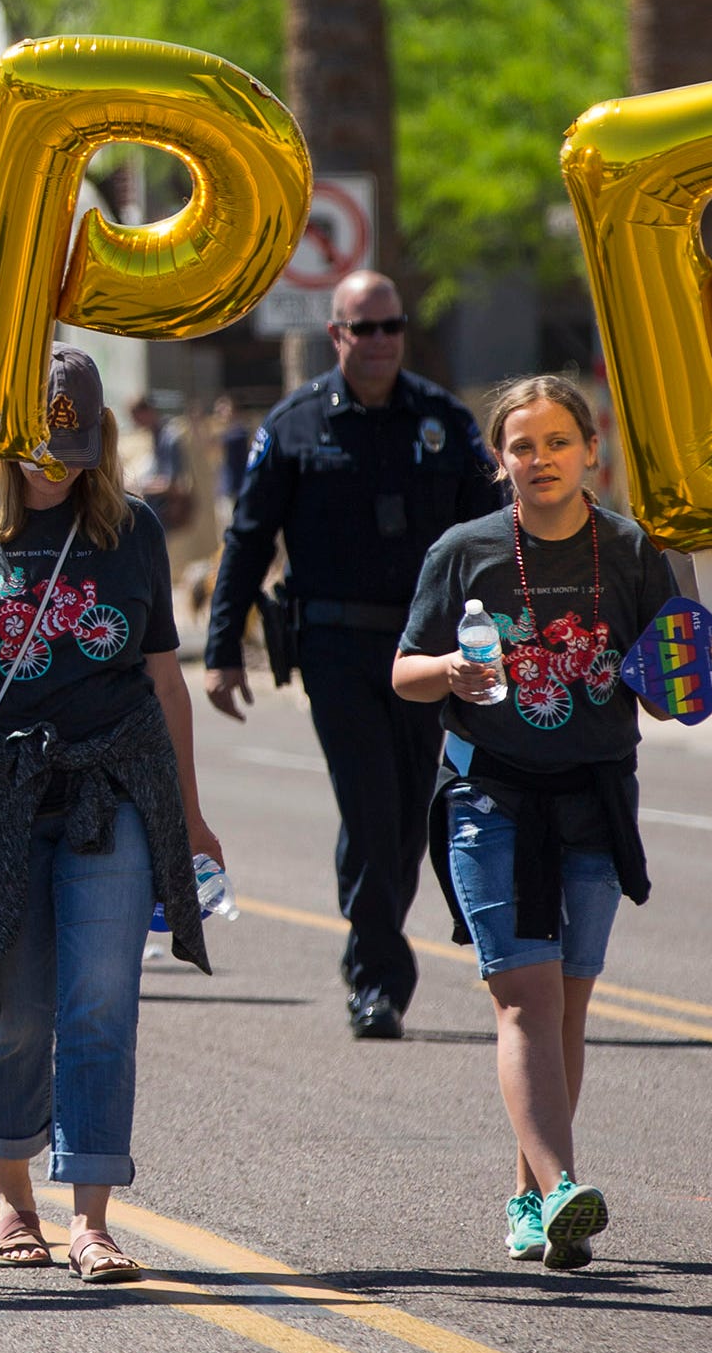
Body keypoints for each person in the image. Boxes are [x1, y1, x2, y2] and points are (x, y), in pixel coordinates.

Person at [394, 375, 712, 1270]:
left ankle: (529, 1200)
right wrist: (450, 674)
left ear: (593, 450)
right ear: (499, 460)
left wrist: (705, 663)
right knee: (523, 1002)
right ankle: (560, 1189)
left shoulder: (628, 551)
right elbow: (402, 672)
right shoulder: (464, 551)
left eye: (556, 442)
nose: (539, 460)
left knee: (566, 1011)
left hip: (593, 802)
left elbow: (665, 701)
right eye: (521, 445)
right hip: (489, 800)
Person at [0, 346, 221, 1284]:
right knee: (14, 1010)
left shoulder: (133, 532)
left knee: (99, 1005)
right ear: (1, 437)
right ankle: (12, 1200)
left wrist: (188, 818)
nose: (55, 463)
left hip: (107, 790)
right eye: (40, 444)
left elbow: (164, 678)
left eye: (73, 445)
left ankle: (91, 1218)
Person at [202, 271, 501, 1040]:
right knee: (370, 808)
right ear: (335, 335)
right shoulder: (295, 425)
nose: (378, 341)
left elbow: (493, 535)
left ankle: (371, 948)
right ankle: (378, 979)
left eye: (390, 326)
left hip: (425, 652)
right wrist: (223, 650)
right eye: (361, 328)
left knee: (406, 815)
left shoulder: (442, 420)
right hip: (334, 649)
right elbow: (247, 540)